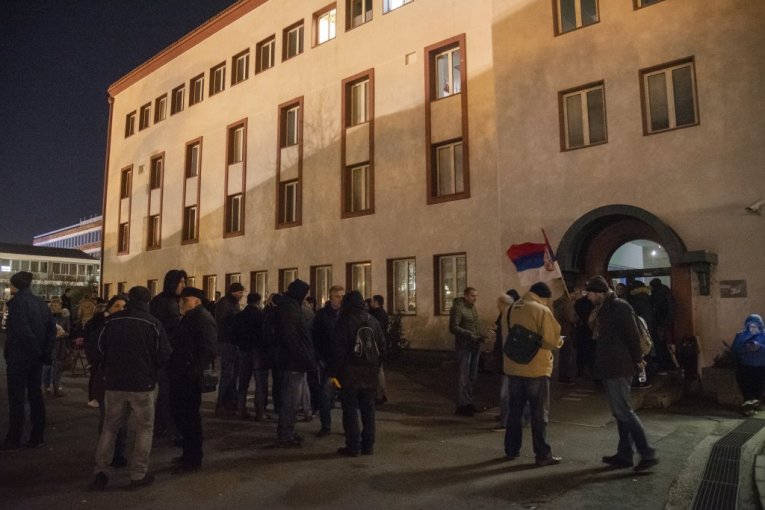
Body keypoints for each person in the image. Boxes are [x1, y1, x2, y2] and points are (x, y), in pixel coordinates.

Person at [90, 286, 171, 490]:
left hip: (115, 383)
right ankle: (138, 474)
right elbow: (164, 354)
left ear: (129, 299)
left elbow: (97, 348)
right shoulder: (152, 323)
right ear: (147, 300)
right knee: (144, 429)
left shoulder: (111, 321)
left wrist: (105, 367)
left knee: (110, 427)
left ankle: (101, 471)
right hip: (143, 384)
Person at [586, 275, 658, 471]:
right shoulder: (605, 308)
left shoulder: (620, 306)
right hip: (611, 365)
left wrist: (637, 360)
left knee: (624, 411)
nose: (588, 297)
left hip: (619, 366)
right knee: (620, 412)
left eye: (590, 294)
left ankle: (647, 453)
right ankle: (625, 454)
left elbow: (632, 336)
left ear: (600, 292)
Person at [503, 282, 563, 466]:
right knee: (539, 413)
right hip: (536, 368)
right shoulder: (541, 311)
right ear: (543, 297)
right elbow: (550, 341)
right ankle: (542, 454)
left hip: (513, 367)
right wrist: (560, 342)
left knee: (515, 410)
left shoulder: (510, 308)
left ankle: (512, 449)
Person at [1, 271, 56, 451]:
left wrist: (35, 350)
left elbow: (22, 330)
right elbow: (51, 330)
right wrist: (44, 353)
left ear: (14, 285)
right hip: (36, 358)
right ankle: (37, 435)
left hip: (20, 357)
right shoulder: (41, 304)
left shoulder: (17, 304)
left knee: (17, 398)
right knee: (35, 396)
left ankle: (14, 438)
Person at [329, 291, 387, 456]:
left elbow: (338, 352)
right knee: (369, 410)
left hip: (349, 374)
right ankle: (368, 445)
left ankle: (353, 446)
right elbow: (382, 347)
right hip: (370, 373)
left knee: (350, 410)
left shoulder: (344, 322)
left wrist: (332, 373)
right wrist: (375, 366)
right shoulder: (372, 321)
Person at [168, 287, 217, 473]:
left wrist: (193, 371)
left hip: (189, 376)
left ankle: (193, 459)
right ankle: (188, 455)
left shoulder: (202, 318)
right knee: (182, 415)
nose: (181, 302)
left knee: (190, 418)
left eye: (184, 299)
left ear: (195, 300)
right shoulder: (192, 317)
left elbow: (209, 349)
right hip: (182, 374)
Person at [84, 294, 128, 467]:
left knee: (122, 418)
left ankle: (118, 454)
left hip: (122, 377)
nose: (120, 309)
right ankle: (104, 456)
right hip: (104, 377)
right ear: (109, 307)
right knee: (108, 418)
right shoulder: (98, 324)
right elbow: (92, 349)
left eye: (124, 307)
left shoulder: (126, 324)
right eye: (117, 306)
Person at [274, 279, 315, 447]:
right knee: (290, 400)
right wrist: (302, 356)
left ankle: (287, 431)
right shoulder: (289, 308)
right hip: (292, 362)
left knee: (291, 399)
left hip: (292, 361)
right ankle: (285, 435)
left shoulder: (289, 306)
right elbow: (290, 337)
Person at [149, 269, 186, 441]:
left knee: (167, 392)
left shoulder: (171, 301)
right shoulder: (165, 302)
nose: (184, 285)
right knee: (167, 392)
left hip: (169, 352)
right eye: (181, 282)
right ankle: (167, 427)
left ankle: (161, 426)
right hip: (166, 353)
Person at [312, 285, 345, 437]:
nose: (340, 299)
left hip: (344, 363)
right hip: (327, 362)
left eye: (342, 296)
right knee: (325, 394)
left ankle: (348, 427)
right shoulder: (322, 315)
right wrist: (319, 358)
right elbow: (315, 338)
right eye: (338, 296)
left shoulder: (346, 314)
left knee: (347, 397)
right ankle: (326, 426)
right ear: (331, 297)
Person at [449, 287, 484, 416]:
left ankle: (468, 402)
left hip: (475, 345)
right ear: (466, 296)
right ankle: (461, 405)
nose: (475, 298)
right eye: (472, 296)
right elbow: (453, 327)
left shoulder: (472, 308)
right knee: (463, 376)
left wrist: (482, 334)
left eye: (476, 295)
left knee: (472, 376)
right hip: (464, 346)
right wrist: (469, 334)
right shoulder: (458, 308)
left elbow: (475, 324)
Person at [233, 292, 266, 420]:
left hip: (243, 350)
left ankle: (241, 410)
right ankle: (260, 412)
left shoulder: (240, 316)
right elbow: (264, 334)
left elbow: (234, 333)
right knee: (260, 384)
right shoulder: (261, 316)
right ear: (258, 302)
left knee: (243, 382)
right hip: (258, 351)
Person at [215, 282, 245, 416]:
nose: (241, 295)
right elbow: (223, 321)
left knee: (233, 375)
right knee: (228, 374)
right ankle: (221, 403)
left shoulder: (233, 303)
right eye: (240, 292)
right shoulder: (225, 303)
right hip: (227, 341)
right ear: (233, 292)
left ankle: (230, 402)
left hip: (233, 342)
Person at [730, 314, 765, 416]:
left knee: (758, 386)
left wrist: (759, 347)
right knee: (746, 386)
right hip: (745, 366)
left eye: (755, 326)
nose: (753, 328)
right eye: (750, 326)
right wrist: (745, 348)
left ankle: (755, 403)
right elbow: (735, 349)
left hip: (761, 367)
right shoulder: (741, 336)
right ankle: (748, 405)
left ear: (760, 325)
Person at [493, 291, 517, 431]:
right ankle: (515, 417)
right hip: (509, 359)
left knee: (506, 393)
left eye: (498, 304)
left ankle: (505, 421)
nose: (497, 306)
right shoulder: (508, 315)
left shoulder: (507, 315)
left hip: (508, 359)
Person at [43, 296, 70, 397]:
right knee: (48, 367)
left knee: (58, 367)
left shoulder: (65, 316)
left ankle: (57, 386)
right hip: (50, 345)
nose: (55, 307)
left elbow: (68, 331)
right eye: (53, 305)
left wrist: (63, 334)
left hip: (61, 345)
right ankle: (47, 387)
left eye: (57, 305)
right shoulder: (47, 316)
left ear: (60, 305)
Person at [649, 278, 676, 372]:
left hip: (659, 324)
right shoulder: (667, 292)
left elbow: (655, 310)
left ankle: (663, 366)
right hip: (666, 323)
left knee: (659, 345)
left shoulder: (657, 294)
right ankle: (670, 364)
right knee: (665, 344)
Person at [552, 287, 577, 386]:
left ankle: (561, 375)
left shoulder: (558, 303)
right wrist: (577, 317)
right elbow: (571, 318)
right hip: (566, 331)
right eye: (575, 293)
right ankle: (564, 376)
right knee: (566, 355)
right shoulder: (567, 304)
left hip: (559, 331)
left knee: (563, 354)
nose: (575, 295)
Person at [368, 295, 389, 405]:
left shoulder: (377, 315)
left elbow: (376, 332)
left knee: (378, 371)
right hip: (379, 345)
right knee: (379, 370)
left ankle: (380, 394)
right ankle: (380, 393)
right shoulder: (381, 314)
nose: (370, 303)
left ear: (376, 302)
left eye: (372, 301)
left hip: (376, 346)